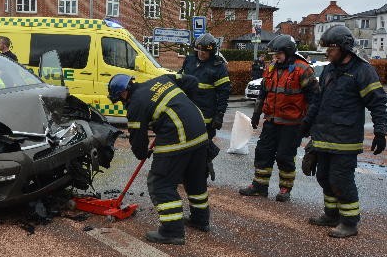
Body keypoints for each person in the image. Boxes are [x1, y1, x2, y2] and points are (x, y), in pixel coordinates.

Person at [302, 25, 387, 238]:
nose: (327, 54)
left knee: (341, 179)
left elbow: (377, 103)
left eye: (330, 49)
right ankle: (331, 215)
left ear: (343, 48)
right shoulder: (329, 70)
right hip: (323, 136)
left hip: (345, 139)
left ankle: (349, 222)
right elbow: (318, 101)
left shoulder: (362, 71)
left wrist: (380, 131)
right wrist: (305, 125)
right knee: (323, 176)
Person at [108, 73, 209, 245]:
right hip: (200, 132)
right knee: (194, 179)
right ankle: (200, 220)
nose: (122, 103)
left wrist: (142, 153)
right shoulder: (161, 79)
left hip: (178, 136)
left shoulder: (135, 104)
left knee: (160, 183)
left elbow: (138, 139)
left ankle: (172, 231)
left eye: (119, 99)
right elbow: (193, 81)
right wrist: (186, 107)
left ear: (124, 93)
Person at [240, 35, 318, 202]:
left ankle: (285, 189)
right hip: (272, 121)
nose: (275, 58)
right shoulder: (271, 68)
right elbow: (263, 93)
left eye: (278, 55)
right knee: (262, 152)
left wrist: (309, 123)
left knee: (284, 156)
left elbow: (314, 99)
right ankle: (259, 186)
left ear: (288, 52)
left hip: (292, 124)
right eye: (274, 55)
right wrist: (256, 113)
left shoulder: (303, 69)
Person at [178, 33, 231, 181]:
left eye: (205, 51)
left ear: (211, 51)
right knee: (186, 145)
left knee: (202, 147)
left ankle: (202, 174)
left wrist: (219, 115)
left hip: (206, 116)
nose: (201, 53)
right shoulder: (189, 61)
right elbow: (180, 80)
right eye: (199, 50)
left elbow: (224, 93)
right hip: (188, 113)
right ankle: (185, 174)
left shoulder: (218, 67)